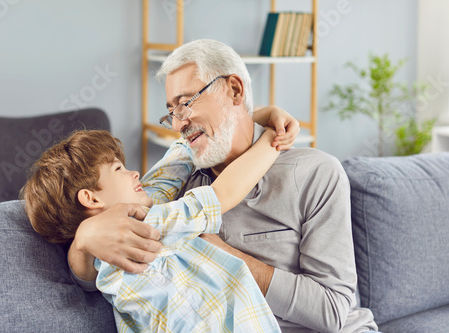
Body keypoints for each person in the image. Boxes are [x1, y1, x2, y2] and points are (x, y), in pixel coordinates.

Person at [69, 39, 380, 332]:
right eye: (171, 112)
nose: (178, 124)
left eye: (186, 103)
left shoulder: (314, 173)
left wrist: (221, 255)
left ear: (234, 91)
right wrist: (84, 238)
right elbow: (98, 277)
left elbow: (333, 312)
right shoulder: (176, 184)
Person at [21, 127, 289, 332]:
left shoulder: (109, 252)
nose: (135, 173)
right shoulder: (146, 226)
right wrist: (272, 138)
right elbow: (223, 194)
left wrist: (246, 115)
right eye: (118, 169)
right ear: (91, 198)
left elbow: (178, 159)